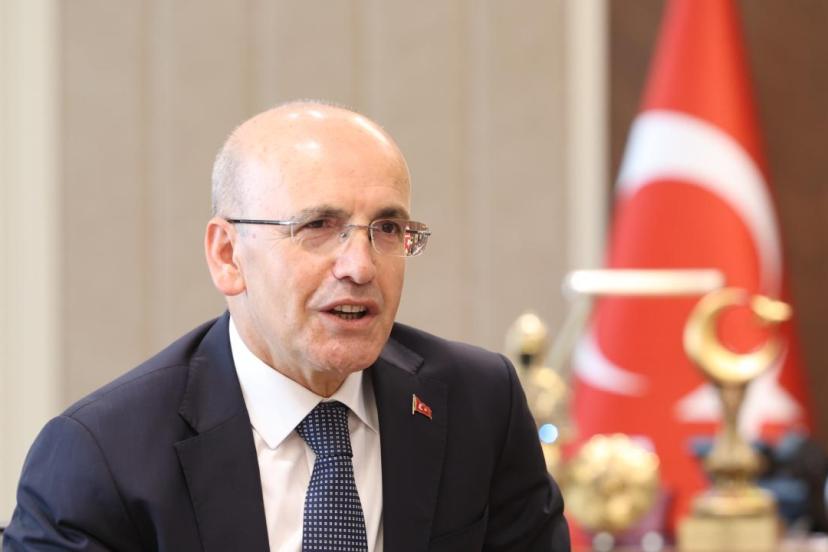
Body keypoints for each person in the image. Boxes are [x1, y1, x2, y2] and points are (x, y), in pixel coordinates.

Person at [3, 101, 570, 551]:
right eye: (318, 225)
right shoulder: (102, 456)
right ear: (228, 255)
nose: (360, 267)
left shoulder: (479, 405)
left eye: (387, 229)